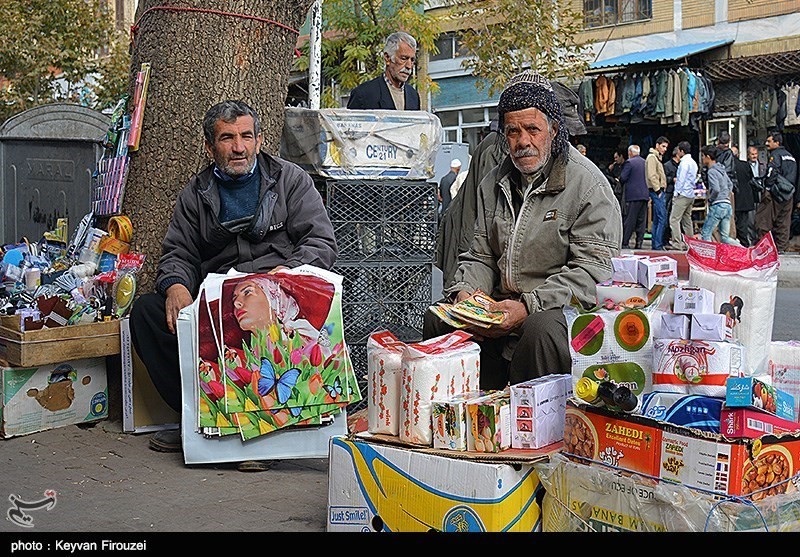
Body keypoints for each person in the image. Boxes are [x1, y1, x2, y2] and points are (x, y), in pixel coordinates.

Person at [129, 100, 337, 468]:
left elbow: (320, 242)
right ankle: (199, 421)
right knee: (146, 313)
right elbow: (178, 252)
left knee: (271, 323)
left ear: (258, 141)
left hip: (276, 292)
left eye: (245, 137)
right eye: (227, 138)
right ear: (211, 147)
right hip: (220, 299)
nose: (238, 147)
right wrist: (176, 284)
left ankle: (266, 430)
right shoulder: (196, 193)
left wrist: (281, 281)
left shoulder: (290, 180)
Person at [423, 70, 622, 390]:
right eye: (513, 131)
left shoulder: (588, 186)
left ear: (554, 130)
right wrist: (466, 292)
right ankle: (461, 419)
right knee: (440, 317)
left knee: (540, 329)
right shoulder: (493, 183)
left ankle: (534, 429)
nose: (523, 141)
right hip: (502, 307)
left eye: (532, 129)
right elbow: (480, 254)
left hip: (560, 311)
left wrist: (529, 305)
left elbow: (594, 274)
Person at [346, 32, 421, 110]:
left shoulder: (413, 95)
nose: (409, 66)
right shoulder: (363, 94)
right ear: (387, 58)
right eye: (403, 58)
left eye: (412, 60)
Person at [756, 131, 798, 252]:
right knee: (783, 223)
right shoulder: (791, 156)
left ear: (777, 143)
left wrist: (767, 188)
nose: (766, 143)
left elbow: (771, 172)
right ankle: (782, 250)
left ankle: (763, 250)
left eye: (769, 141)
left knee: (762, 221)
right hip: (788, 194)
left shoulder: (775, 155)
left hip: (775, 193)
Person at [699, 145, 741, 245]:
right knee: (725, 237)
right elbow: (730, 185)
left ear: (708, 157)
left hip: (718, 205)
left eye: (703, 156)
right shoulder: (722, 169)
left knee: (706, 233)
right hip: (727, 205)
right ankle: (744, 250)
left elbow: (716, 189)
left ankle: (709, 256)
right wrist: (725, 195)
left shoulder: (712, 171)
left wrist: (711, 199)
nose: (702, 158)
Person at [666, 141, 698, 250]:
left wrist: (676, 193)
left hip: (682, 194)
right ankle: (691, 244)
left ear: (682, 151)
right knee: (687, 220)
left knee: (674, 220)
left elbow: (681, 179)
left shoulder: (684, 163)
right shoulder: (693, 163)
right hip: (690, 194)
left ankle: (676, 243)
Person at [620, 144, 648, 249]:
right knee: (641, 221)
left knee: (630, 220)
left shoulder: (629, 163)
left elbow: (623, 177)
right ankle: (639, 242)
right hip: (644, 195)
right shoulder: (645, 162)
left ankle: (625, 242)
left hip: (632, 195)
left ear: (630, 153)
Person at [645, 137, 669, 250]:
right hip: (656, 191)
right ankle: (658, 245)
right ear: (657, 145)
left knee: (657, 219)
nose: (664, 149)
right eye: (663, 146)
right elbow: (651, 175)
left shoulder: (657, 158)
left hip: (658, 191)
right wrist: (658, 190)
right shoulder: (652, 157)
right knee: (662, 218)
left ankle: (656, 244)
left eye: (666, 147)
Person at [732, 145, 758, 247]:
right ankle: (744, 243)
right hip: (746, 199)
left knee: (737, 224)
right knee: (744, 223)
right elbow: (750, 178)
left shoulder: (729, 165)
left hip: (736, 198)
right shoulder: (746, 165)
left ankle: (743, 244)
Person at [662, 146, 680, 246]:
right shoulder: (667, 165)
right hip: (669, 192)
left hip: (677, 193)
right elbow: (664, 178)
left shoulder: (681, 165)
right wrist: (671, 179)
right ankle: (664, 239)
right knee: (667, 215)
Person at [606, 148, 626, 215]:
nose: (615, 159)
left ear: (621, 156)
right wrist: (609, 170)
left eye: (616, 157)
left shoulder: (627, 166)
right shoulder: (615, 166)